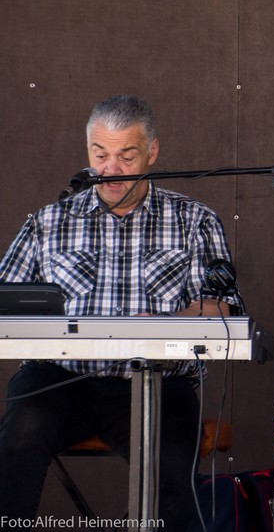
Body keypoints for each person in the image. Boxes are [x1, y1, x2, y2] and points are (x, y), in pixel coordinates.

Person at [0, 94, 244, 530]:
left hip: (157, 382)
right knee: (19, 434)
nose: (110, 169)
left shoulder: (194, 221)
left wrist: (169, 325)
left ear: (152, 151)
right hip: (60, 377)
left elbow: (222, 306)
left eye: (126, 156)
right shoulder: (48, 222)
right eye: (100, 155)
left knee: (173, 472)